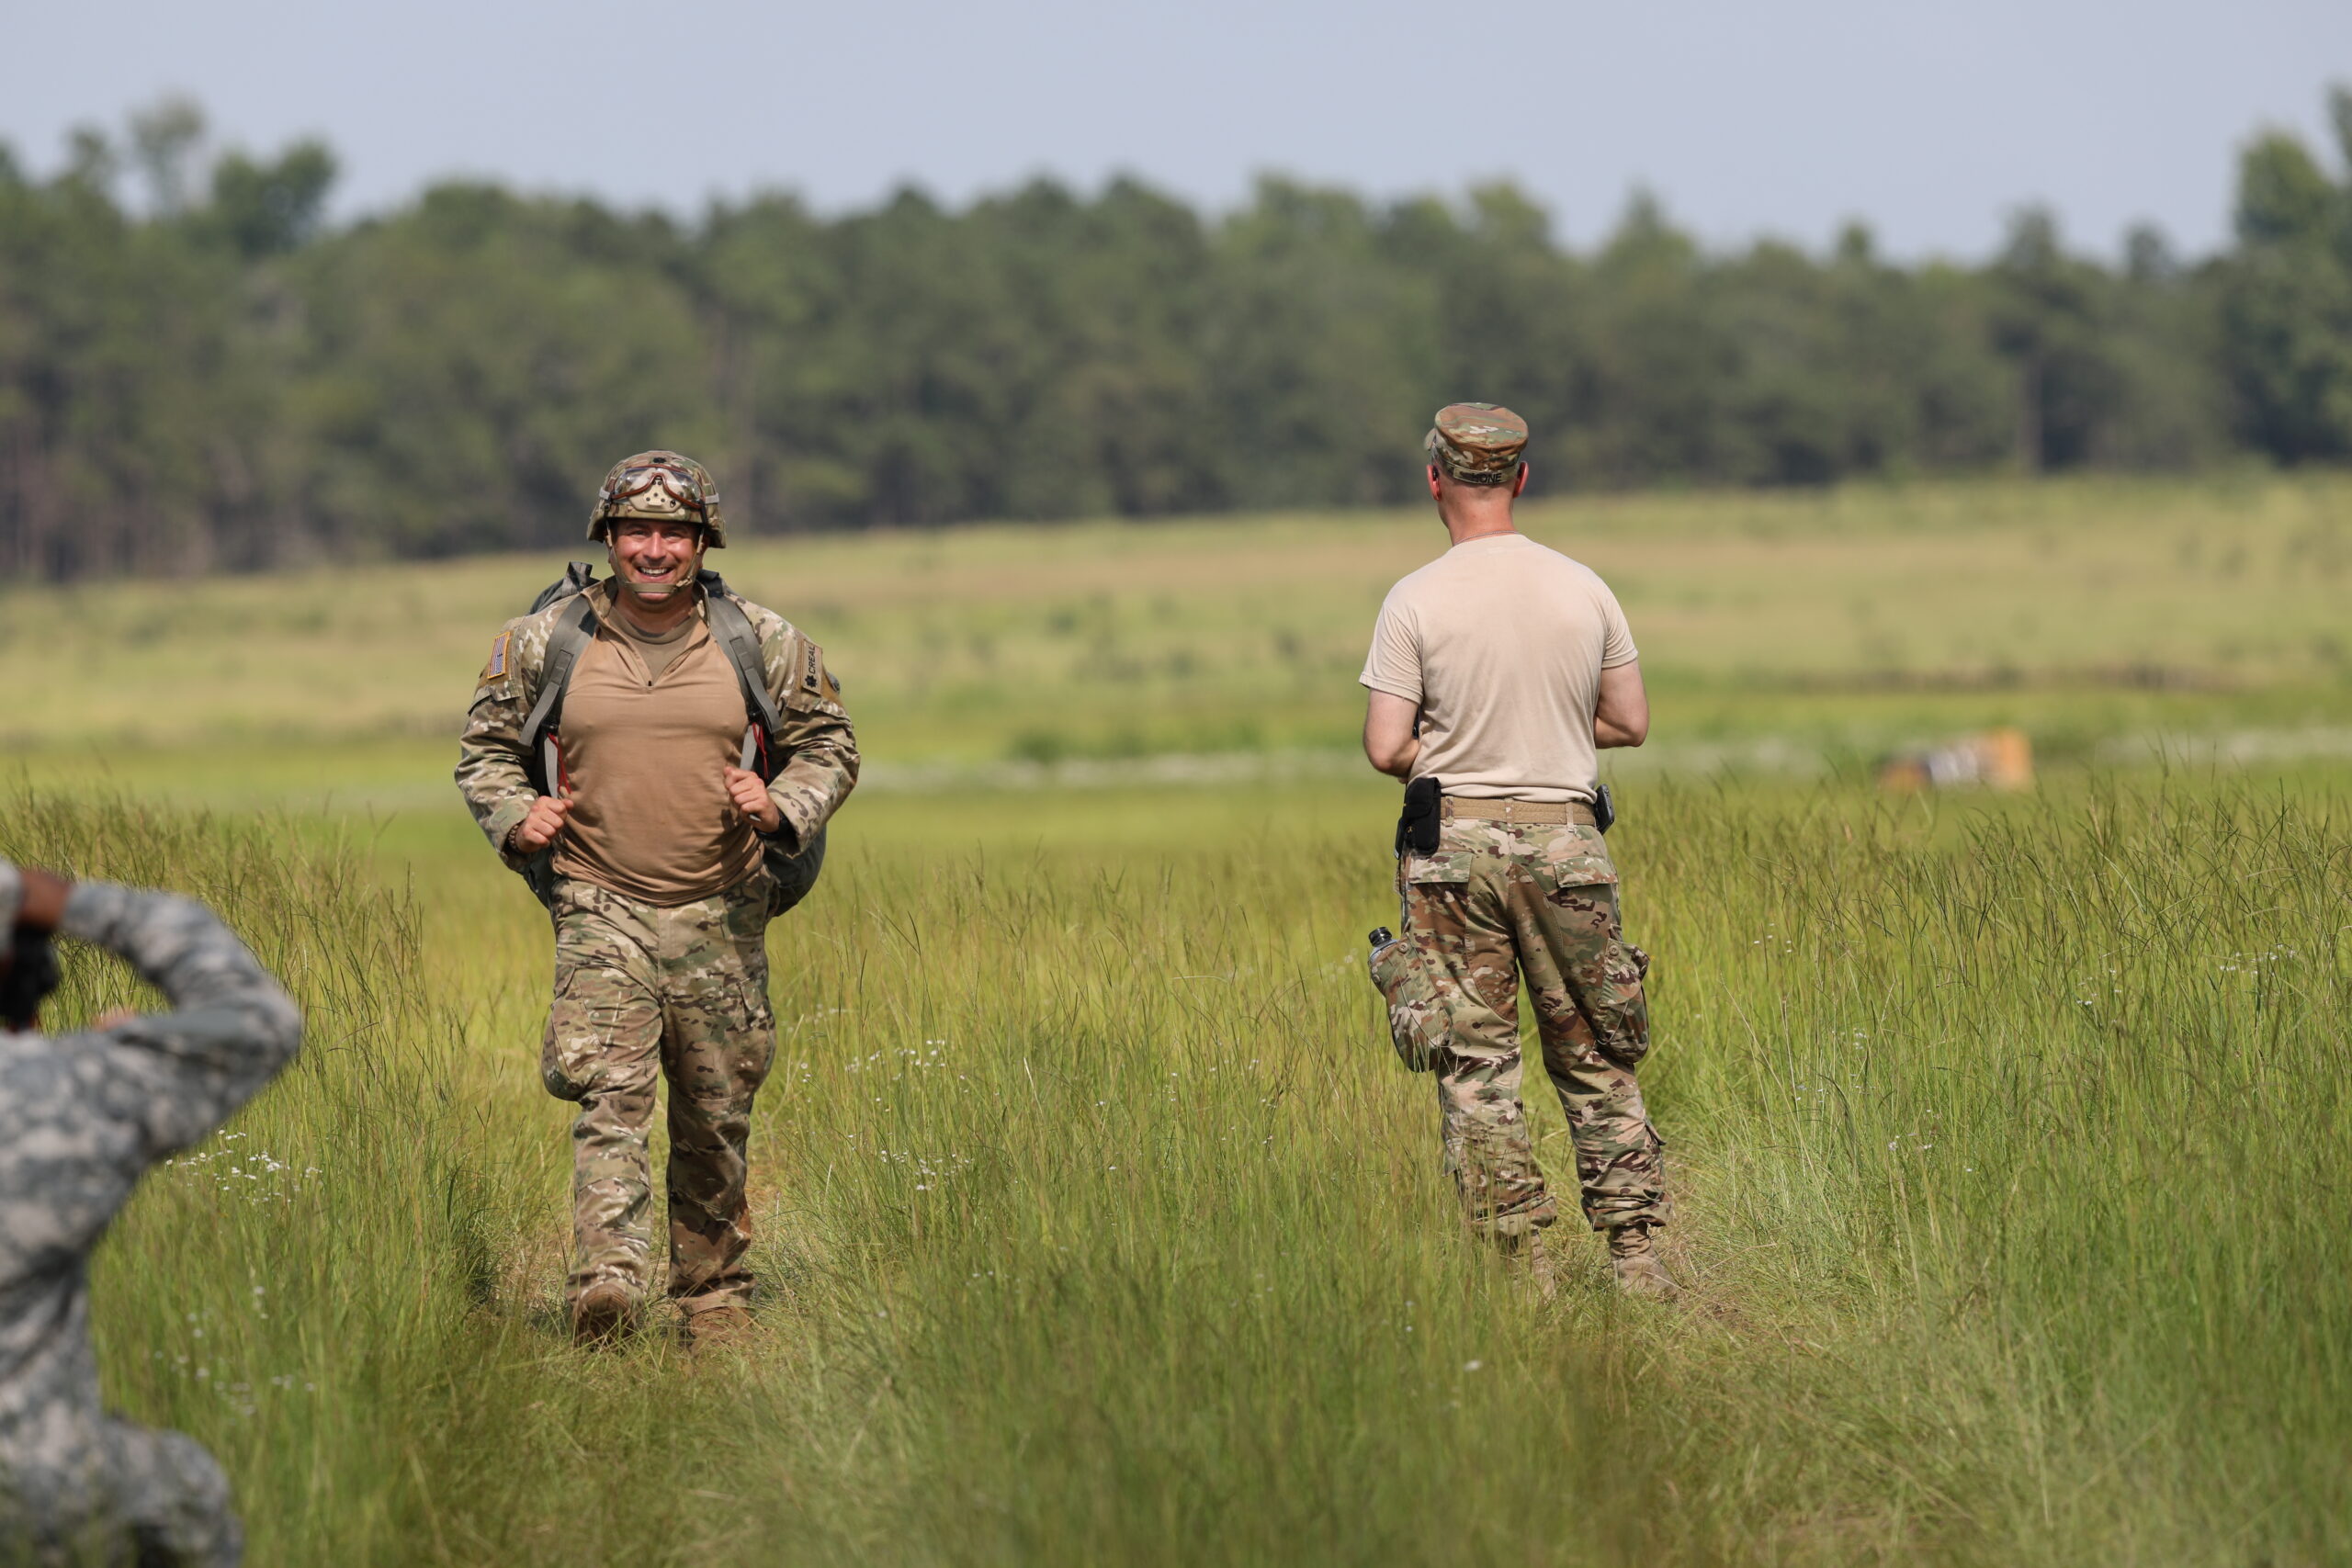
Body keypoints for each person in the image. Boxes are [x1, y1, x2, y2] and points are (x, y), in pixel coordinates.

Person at [455, 451, 858, 1348]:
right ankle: (608, 1280)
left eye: (672, 532)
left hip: (724, 906)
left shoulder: (763, 641)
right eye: (636, 531)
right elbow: (481, 751)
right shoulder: (544, 642)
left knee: (715, 1106)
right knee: (611, 1093)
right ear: (608, 538)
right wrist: (518, 817)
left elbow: (829, 743)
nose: (653, 549)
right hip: (599, 901)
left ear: (701, 541)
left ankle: (712, 1294)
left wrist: (781, 803)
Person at [1359, 404, 1674, 1298]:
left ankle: (1524, 1273)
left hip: (1454, 852)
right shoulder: (1585, 588)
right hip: (1567, 844)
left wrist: (1462, 743)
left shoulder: (1413, 598)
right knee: (1594, 1054)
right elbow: (1630, 723)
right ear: (1521, 479)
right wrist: (1542, 735)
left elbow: (1386, 748)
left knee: (1475, 1063)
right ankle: (1636, 1261)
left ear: (1434, 481)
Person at [0, 859, 303, 1564]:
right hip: (34, 1487)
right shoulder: (71, 1090)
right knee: (186, 1492)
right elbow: (262, 1019)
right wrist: (72, 902)